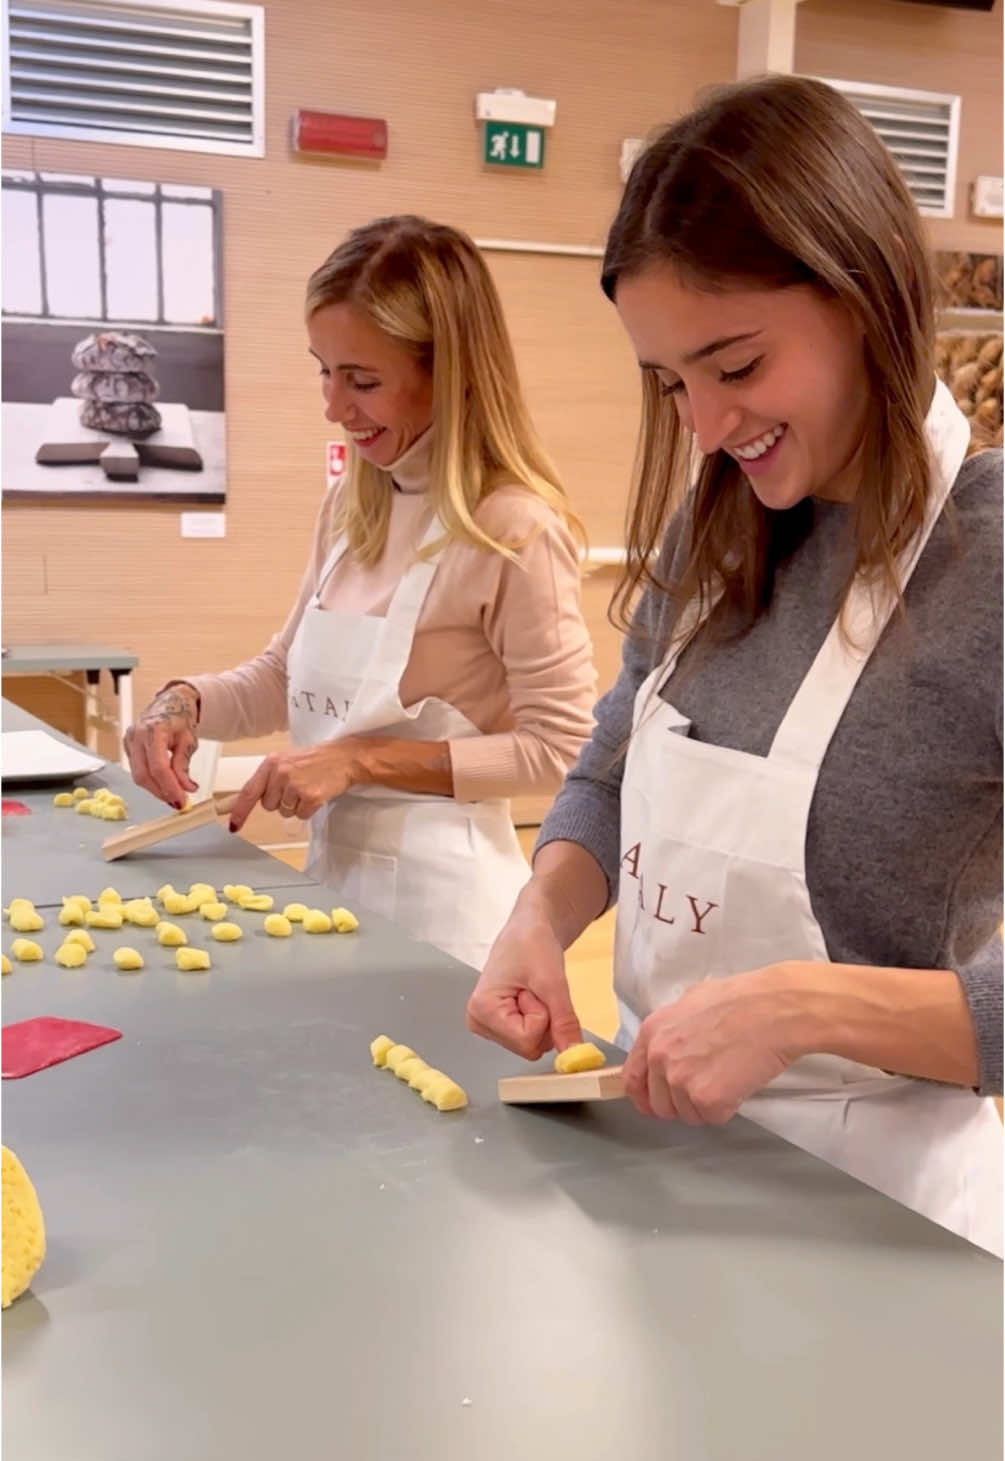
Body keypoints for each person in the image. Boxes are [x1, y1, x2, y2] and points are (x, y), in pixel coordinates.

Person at [466, 75, 1003, 1253]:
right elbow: (610, 765)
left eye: (737, 366)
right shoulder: (714, 534)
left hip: (879, 1228)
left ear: (863, 299)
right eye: (672, 385)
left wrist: (805, 1009)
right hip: (653, 1189)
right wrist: (540, 914)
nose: (705, 429)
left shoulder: (991, 563)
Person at [125, 216, 597, 971]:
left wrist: (360, 761)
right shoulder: (354, 507)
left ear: (451, 371)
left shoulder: (512, 528)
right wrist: (180, 702)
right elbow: (287, 677)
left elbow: (563, 749)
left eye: (363, 380)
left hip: (450, 925)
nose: (333, 406)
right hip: (335, 891)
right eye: (324, 370)